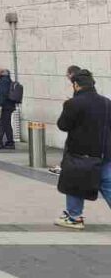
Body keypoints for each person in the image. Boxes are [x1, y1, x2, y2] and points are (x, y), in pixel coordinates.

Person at [54, 69, 111, 229]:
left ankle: (74, 217)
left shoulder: (73, 104)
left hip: (79, 152)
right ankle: (73, 216)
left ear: (76, 85)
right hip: (103, 152)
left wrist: (66, 107)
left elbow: (63, 125)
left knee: (74, 184)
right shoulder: (107, 102)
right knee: (107, 184)